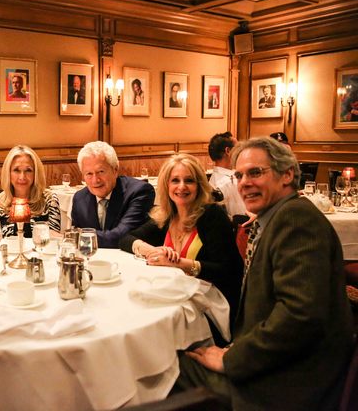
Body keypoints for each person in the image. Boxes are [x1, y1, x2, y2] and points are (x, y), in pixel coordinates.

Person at [175, 137, 354, 411]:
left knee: (169, 367)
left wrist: (231, 360)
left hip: (292, 382)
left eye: (255, 172)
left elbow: (299, 316)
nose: (244, 182)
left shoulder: (296, 220)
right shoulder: (276, 217)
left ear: (287, 175)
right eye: (239, 175)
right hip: (277, 361)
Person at [119, 153, 243, 340]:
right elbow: (126, 239)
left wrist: (179, 263)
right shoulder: (167, 216)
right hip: (176, 297)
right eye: (175, 180)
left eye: (189, 181)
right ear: (166, 186)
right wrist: (151, 250)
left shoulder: (212, 215)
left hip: (210, 307)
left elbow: (229, 271)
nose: (181, 187)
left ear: (199, 185)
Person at [71, 141, 155, 248]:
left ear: (115, 170)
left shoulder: (139, 192)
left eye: (101, 171)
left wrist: (76, 237)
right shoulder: (80, 198)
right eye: (89, 174)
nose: (95, 180)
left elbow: (120, 237)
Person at [0, 145, 61, 237]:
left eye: (28, 170)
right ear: (8, 173)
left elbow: (53, 241)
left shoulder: (49, 200)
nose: (22, 177)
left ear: (36, 173)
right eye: (16, 170)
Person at [208, 132, 246, 218]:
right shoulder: (230, 182)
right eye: (238, 148)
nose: (241, 152)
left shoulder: (214, 178)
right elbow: (243, 215)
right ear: (228, 151)